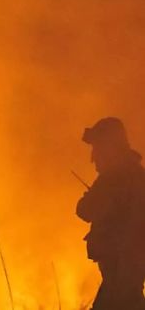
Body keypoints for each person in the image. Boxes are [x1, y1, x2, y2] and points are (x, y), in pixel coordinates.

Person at [77, 117, 145, 310]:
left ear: (110, 148)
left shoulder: (115, 178)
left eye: (97, 148)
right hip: (130, 268)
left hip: (122, 267)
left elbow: (84, 210)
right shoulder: (136, 175)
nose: (93, 157)